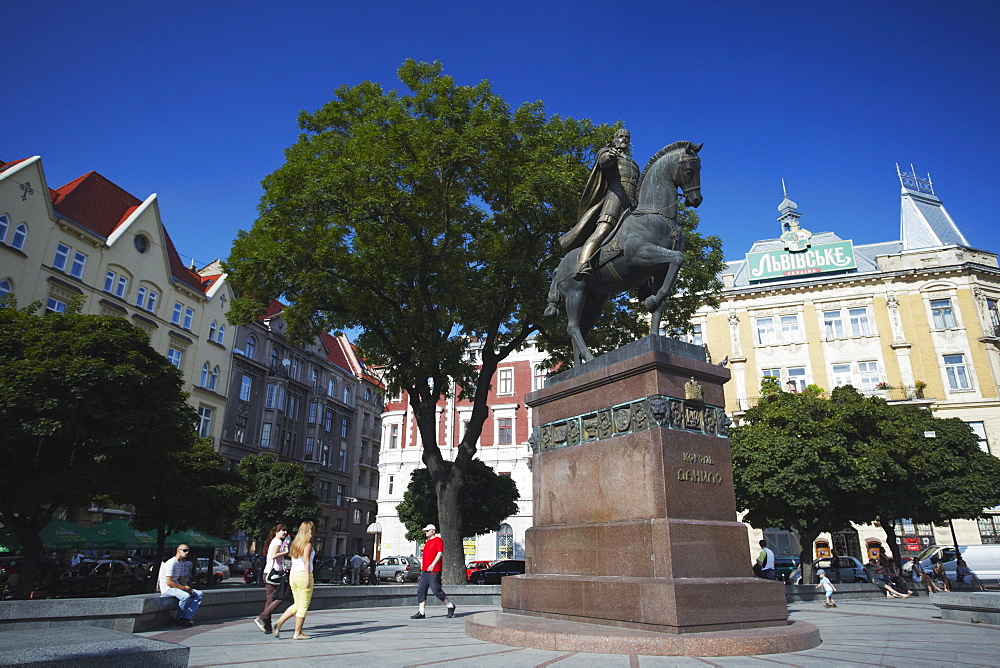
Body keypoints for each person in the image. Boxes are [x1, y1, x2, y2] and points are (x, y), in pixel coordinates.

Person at [558, 128, 640, 280]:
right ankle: (582, 264)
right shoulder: (608, 152)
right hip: (615, 197)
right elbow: (603, 162)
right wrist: (610, 155)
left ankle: (644, 283)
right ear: (615, 139)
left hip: (632, 203)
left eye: (627, 137)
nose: (624, 139)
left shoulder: (633, 163)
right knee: (602, 230)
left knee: (641, 237)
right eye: (621, 136)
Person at [273, 521, 315, 640]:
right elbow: (306, 562)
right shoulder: (307, 545)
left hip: (294, 575)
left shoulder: (295, 544)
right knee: (303, 605)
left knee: (297, 603)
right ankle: (298, 632)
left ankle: (278, 623)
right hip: (303, 574)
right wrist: (308, 578)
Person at [411, 524, 455, 619]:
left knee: (436, 590)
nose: (426, 533)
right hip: (425, 571)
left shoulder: (438, 540)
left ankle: (450, 605)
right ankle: (421, 612)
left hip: (434, 570)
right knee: (421, 590)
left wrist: (433, 564)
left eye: (427, 531)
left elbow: (440, 553)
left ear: (433, 531)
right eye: (425, 531)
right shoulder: (427, 542)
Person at [253, 523, 290, 634]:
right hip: (272, 574)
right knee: (281, 596)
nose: (284, 532)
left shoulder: (275, 541)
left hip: (269, 573)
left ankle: (267, 624)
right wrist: (286, 552)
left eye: (285, 530)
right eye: (281, 530)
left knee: (270, 599)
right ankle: (262, 617)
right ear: (276, 532)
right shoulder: (277, 541)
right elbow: (274, 555)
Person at [158, 544, 203, 626]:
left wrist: (188, 588)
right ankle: (180, 619)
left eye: (188, 551)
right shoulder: (171, 563)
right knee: (185, 596)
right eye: (185, 550)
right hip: (167, 589)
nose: (187, 552)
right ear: (178, 551)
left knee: (199, 594)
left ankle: (187, 617)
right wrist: (183, 588)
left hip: (176, 586)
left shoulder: (181, 563)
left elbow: (181, 580)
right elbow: (169, 582)